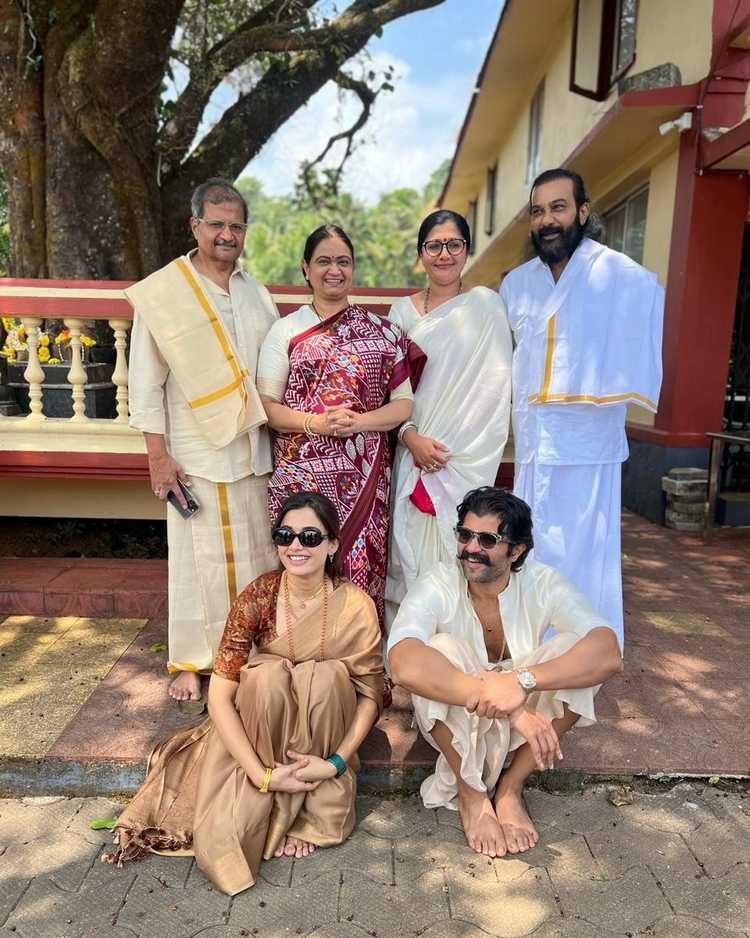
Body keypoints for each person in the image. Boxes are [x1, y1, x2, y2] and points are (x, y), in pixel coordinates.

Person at [105, 491, 384, 895]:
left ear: (332, 545)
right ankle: (272, 801)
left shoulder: (355, 606)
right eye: (285, 535)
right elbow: (220, 696)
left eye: (309, 536)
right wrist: (259, 774)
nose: (295, 546)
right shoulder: (259, 595)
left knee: (326, 679)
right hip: (266, 730)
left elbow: (370, 696)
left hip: (325, 740)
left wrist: (335, 764)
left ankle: (308, 812)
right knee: (265, 677)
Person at [388, 486, 622, 858]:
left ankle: (511, 787)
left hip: (520, 717)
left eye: (487, 540)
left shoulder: (543, 582)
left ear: (516, 551)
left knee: (574, 650)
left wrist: (520, 682)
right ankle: (471, 793)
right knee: (440, 649)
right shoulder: (438, 581)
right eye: (465, 535)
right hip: (460, 717)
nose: (470, 548)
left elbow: (608, 651)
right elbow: (402, 661)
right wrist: (510, 706)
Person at [127, 178, 279, 706]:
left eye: (236, 226)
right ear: (195, 226)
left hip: (252, 447)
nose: (226, 234)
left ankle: (250, 652)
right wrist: (157, 456)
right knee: (197, 561)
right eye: (216, 224)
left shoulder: (257, 293)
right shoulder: (165, 294)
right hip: (193, 451)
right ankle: (192, 661)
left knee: (257, 553)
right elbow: (145, 383)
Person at [500, 169, 663, 648]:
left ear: (582, 211)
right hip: (534, 443)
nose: (547, 220)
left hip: (588, 445)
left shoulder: (616, 275)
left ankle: (586, 651)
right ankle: (534, 644)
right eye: (538, 211)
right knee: (531, 545)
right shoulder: (517, 284)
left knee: (584, 551)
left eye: (558, 207)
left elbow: (646, 309)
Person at [257, 223, 417, 627]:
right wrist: (316, 424)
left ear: (353, 268)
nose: (334, 270)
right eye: (324, 261)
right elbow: (267, 407)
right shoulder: (286, 330)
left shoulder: (384, 333)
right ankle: (300, 649)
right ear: (305, 268)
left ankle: (357, 652)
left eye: (343, 261)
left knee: (361, 564)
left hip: (365, 479)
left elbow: (403, 405)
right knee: (305, 559)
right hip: (302, 475)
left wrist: (360, 421)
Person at [385, 210, 512, 623]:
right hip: (412, 449)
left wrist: (456, 451)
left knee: (460, 548)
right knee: (407, 552)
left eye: (454, 244)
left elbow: (494, 391)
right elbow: (388, 389)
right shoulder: (401, 313)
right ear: (420, 253)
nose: (444, 254)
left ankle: (455, 641)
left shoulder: (487, 308)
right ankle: (408, 642)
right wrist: (411, 438)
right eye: (434, 245)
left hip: (461, 457)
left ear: (467, 250)